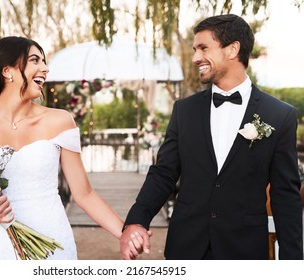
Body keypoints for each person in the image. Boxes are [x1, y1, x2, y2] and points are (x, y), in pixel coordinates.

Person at [120, 14, 303, 260]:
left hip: (244, 252)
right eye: (195, 49)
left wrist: (293, 265)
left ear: (233, 49)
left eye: (204, 48)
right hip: (186, 248)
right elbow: (164, 173)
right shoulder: (184, 110)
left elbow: (285, 195)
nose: (196, 58)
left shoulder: (280, 115)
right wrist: (136, 221)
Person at [0, 36, 125, 259]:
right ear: (7, 71)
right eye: (35, 60)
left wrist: (125, 232)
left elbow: (84, 194)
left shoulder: (60, 121)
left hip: (52, 242)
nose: (45, 68)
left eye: (44, 61)